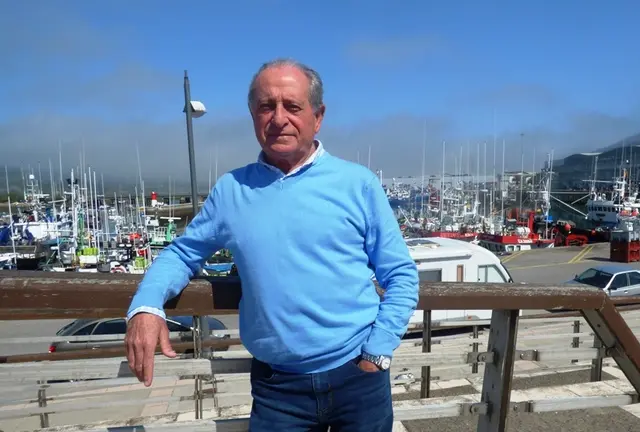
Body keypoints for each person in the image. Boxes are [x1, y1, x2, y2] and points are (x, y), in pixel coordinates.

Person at [124, 58, 420, 431]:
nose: (278, 118)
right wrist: (146, 306)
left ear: (318, 115)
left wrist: (378, 352)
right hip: (278, 389)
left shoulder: (357, 184)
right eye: (266, 106)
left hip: (358, 377)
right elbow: (183, 253)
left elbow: (401, 274)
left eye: (292, 106)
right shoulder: (232, 190)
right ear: (252, 115)